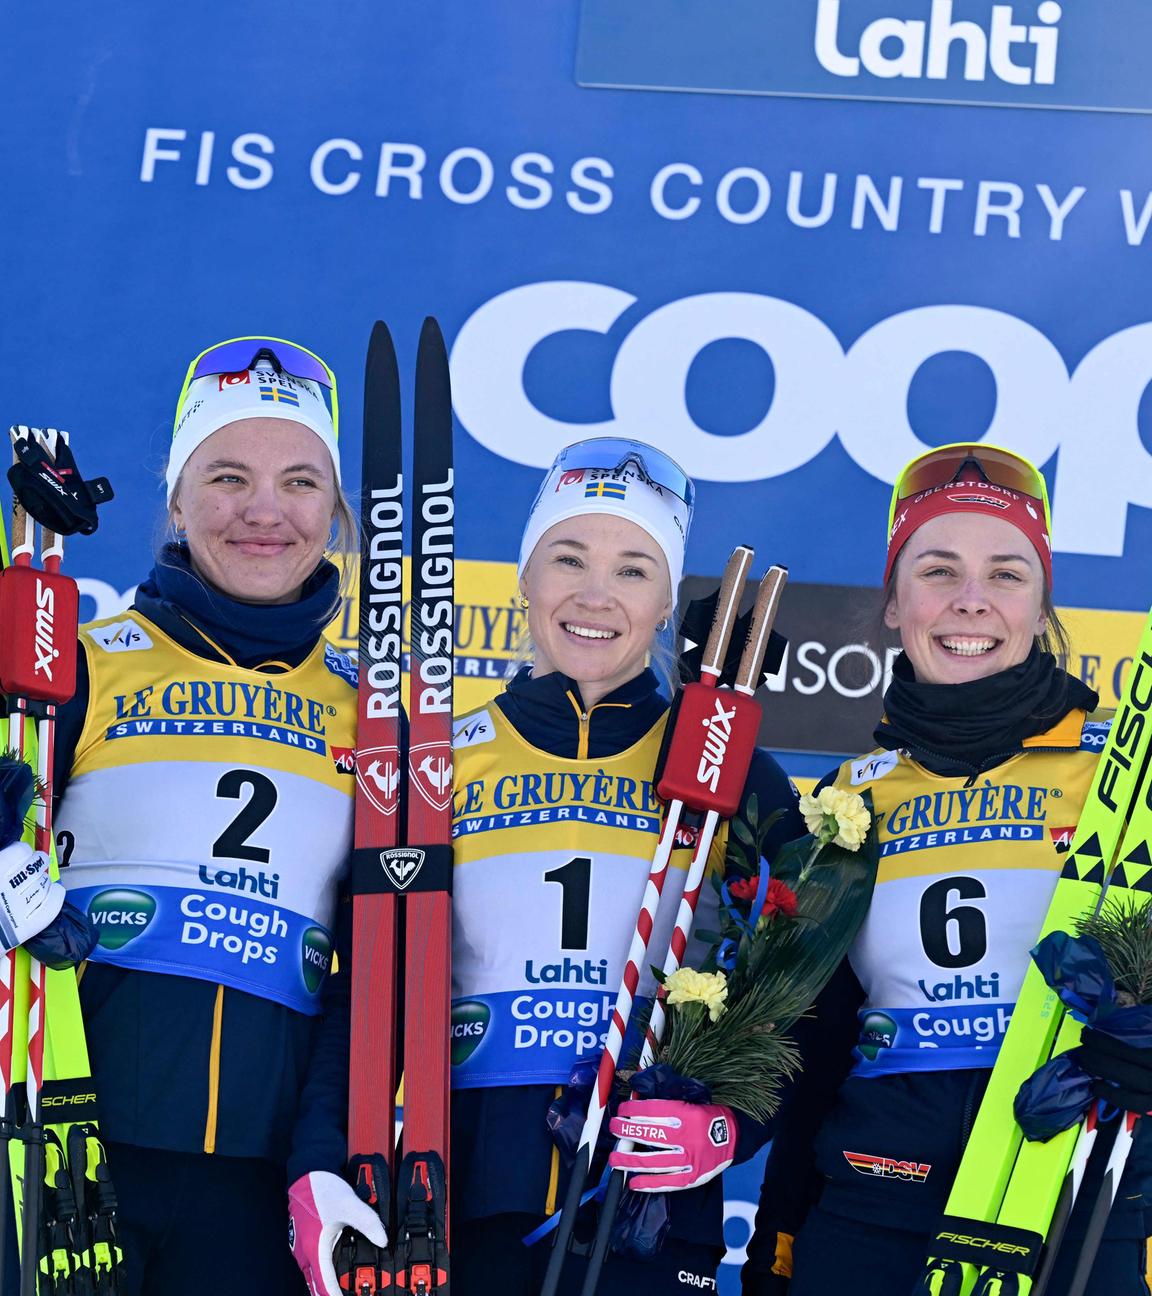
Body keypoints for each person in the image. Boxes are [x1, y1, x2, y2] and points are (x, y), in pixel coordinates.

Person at [742, 442, 1152, 1296]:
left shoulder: (1123, 781)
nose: (971, 601)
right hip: (871, 1210)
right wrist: (771, 1238)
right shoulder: (844, 805)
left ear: (1043, 606)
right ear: (893, 604)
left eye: (1006, 574)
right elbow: (805, 1046)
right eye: (937, 570)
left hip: (1077, 1205)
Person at [48, 337, 382, 1296]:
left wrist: (324, 1154)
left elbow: (373, 974)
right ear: (177, 499)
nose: (264, 511)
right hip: (59, 1147)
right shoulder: (80, 663)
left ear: (337, 513)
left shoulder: (376, 716)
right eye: (227, 475)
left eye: (301, 481)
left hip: (253, 1194)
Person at [449, 436, 805, 1294]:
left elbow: (799, 990)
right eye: (567, 556)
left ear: (667, 601)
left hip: (647, 1214)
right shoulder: (446, 755)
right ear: (524, 575)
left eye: (634, 569)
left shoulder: (724, 760)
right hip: (470, 1207)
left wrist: (728, 1126)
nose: (595, 594)